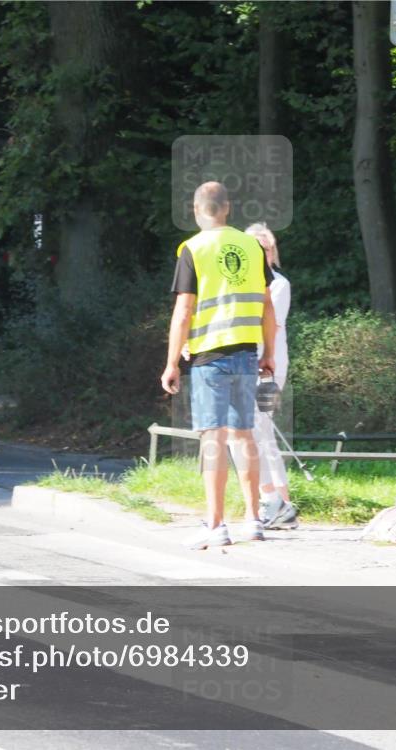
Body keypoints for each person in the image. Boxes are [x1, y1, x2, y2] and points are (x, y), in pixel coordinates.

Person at [161, 182, 277, 549]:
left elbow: (183, 312)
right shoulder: (252, 246)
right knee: (244, 436)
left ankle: (215, 525)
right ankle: (255, 520)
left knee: (213, 439)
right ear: (227, 208)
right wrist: (269, 353)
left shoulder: (192, 249)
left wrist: (170, 364)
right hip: (246, 352)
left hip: (209, 356)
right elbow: (267, 306)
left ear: (197, 210)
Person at [244, 223, 298, 529]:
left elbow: (269, 325)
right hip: (243, 364)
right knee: (255, 432)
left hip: (269, 367)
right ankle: (280, 504)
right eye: (253, 246)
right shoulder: (242, 284)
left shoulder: (279, 284)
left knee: (257, 427)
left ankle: (274, 501)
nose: (260, 252)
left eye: (264, 247)